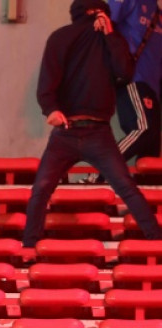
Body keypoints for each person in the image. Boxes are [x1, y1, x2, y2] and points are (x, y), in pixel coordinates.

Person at [24, 0, 161, 248]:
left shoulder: (69, 37)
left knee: (41, 189)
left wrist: (51, 109)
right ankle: (156, 238)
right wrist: (110, 35)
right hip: (91, 132)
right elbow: (126, 72)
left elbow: (47, 83)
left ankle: (28, 248)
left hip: (76, 132)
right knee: (127, 188)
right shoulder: (93, 40)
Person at [79, 0, 162, 183]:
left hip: (153, 88)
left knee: (151, 150)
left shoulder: (158, 13)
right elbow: (101, 27)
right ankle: (96, 175)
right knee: (143, 128)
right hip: (133, 80)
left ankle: (143, 204)